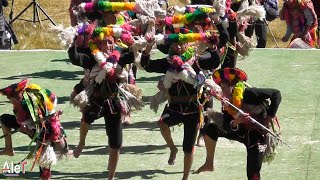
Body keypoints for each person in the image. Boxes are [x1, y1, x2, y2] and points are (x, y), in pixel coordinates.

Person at [194, 68, 282, 180]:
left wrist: (267, 119)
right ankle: (209, 163)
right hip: (241, 132)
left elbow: (276, 94)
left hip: (258, 135)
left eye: (223, 88)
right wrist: (237, 121)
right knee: (211, 128)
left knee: (253, 173)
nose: (221, 92)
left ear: (231, 87)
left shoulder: (249, 93)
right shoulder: (227, 104)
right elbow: (226, 125)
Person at [0, 79, 70, 179]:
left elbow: (51, 101)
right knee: (4, 119)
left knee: (44, 162)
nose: (11, 103)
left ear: (18, 98)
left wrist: (25, 129)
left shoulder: (25, 106)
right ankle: (8, 149)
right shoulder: (25, 100)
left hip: (46, 134)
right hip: (37, 126)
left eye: (11, 100)